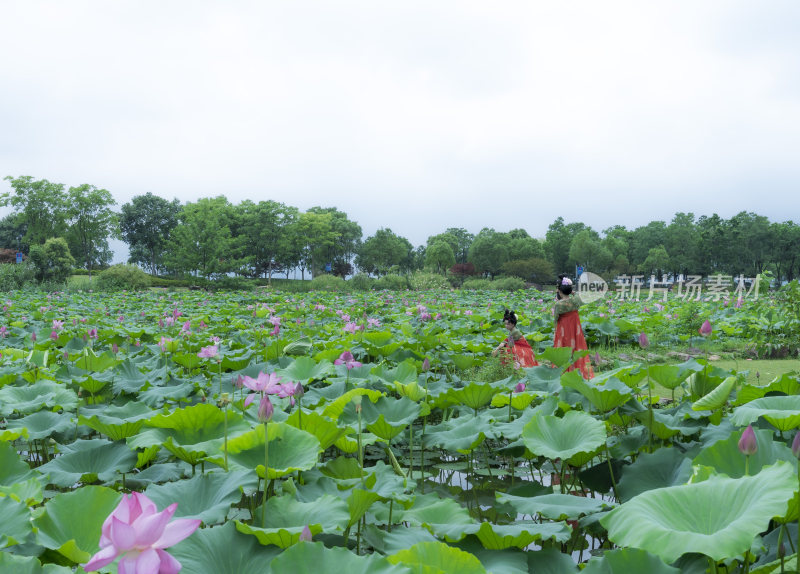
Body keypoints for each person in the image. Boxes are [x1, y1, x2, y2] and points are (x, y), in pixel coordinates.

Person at [553, 274, 594, 379]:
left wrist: (555, 332)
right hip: (575, 330)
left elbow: (556, 319)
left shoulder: (558, 305)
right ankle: (579, 373)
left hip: (563, 331)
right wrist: (572, 292)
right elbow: (578, 295)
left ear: (559, 290)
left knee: (563, 351)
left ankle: (563, 375)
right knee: (576, 350)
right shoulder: (576, 300)